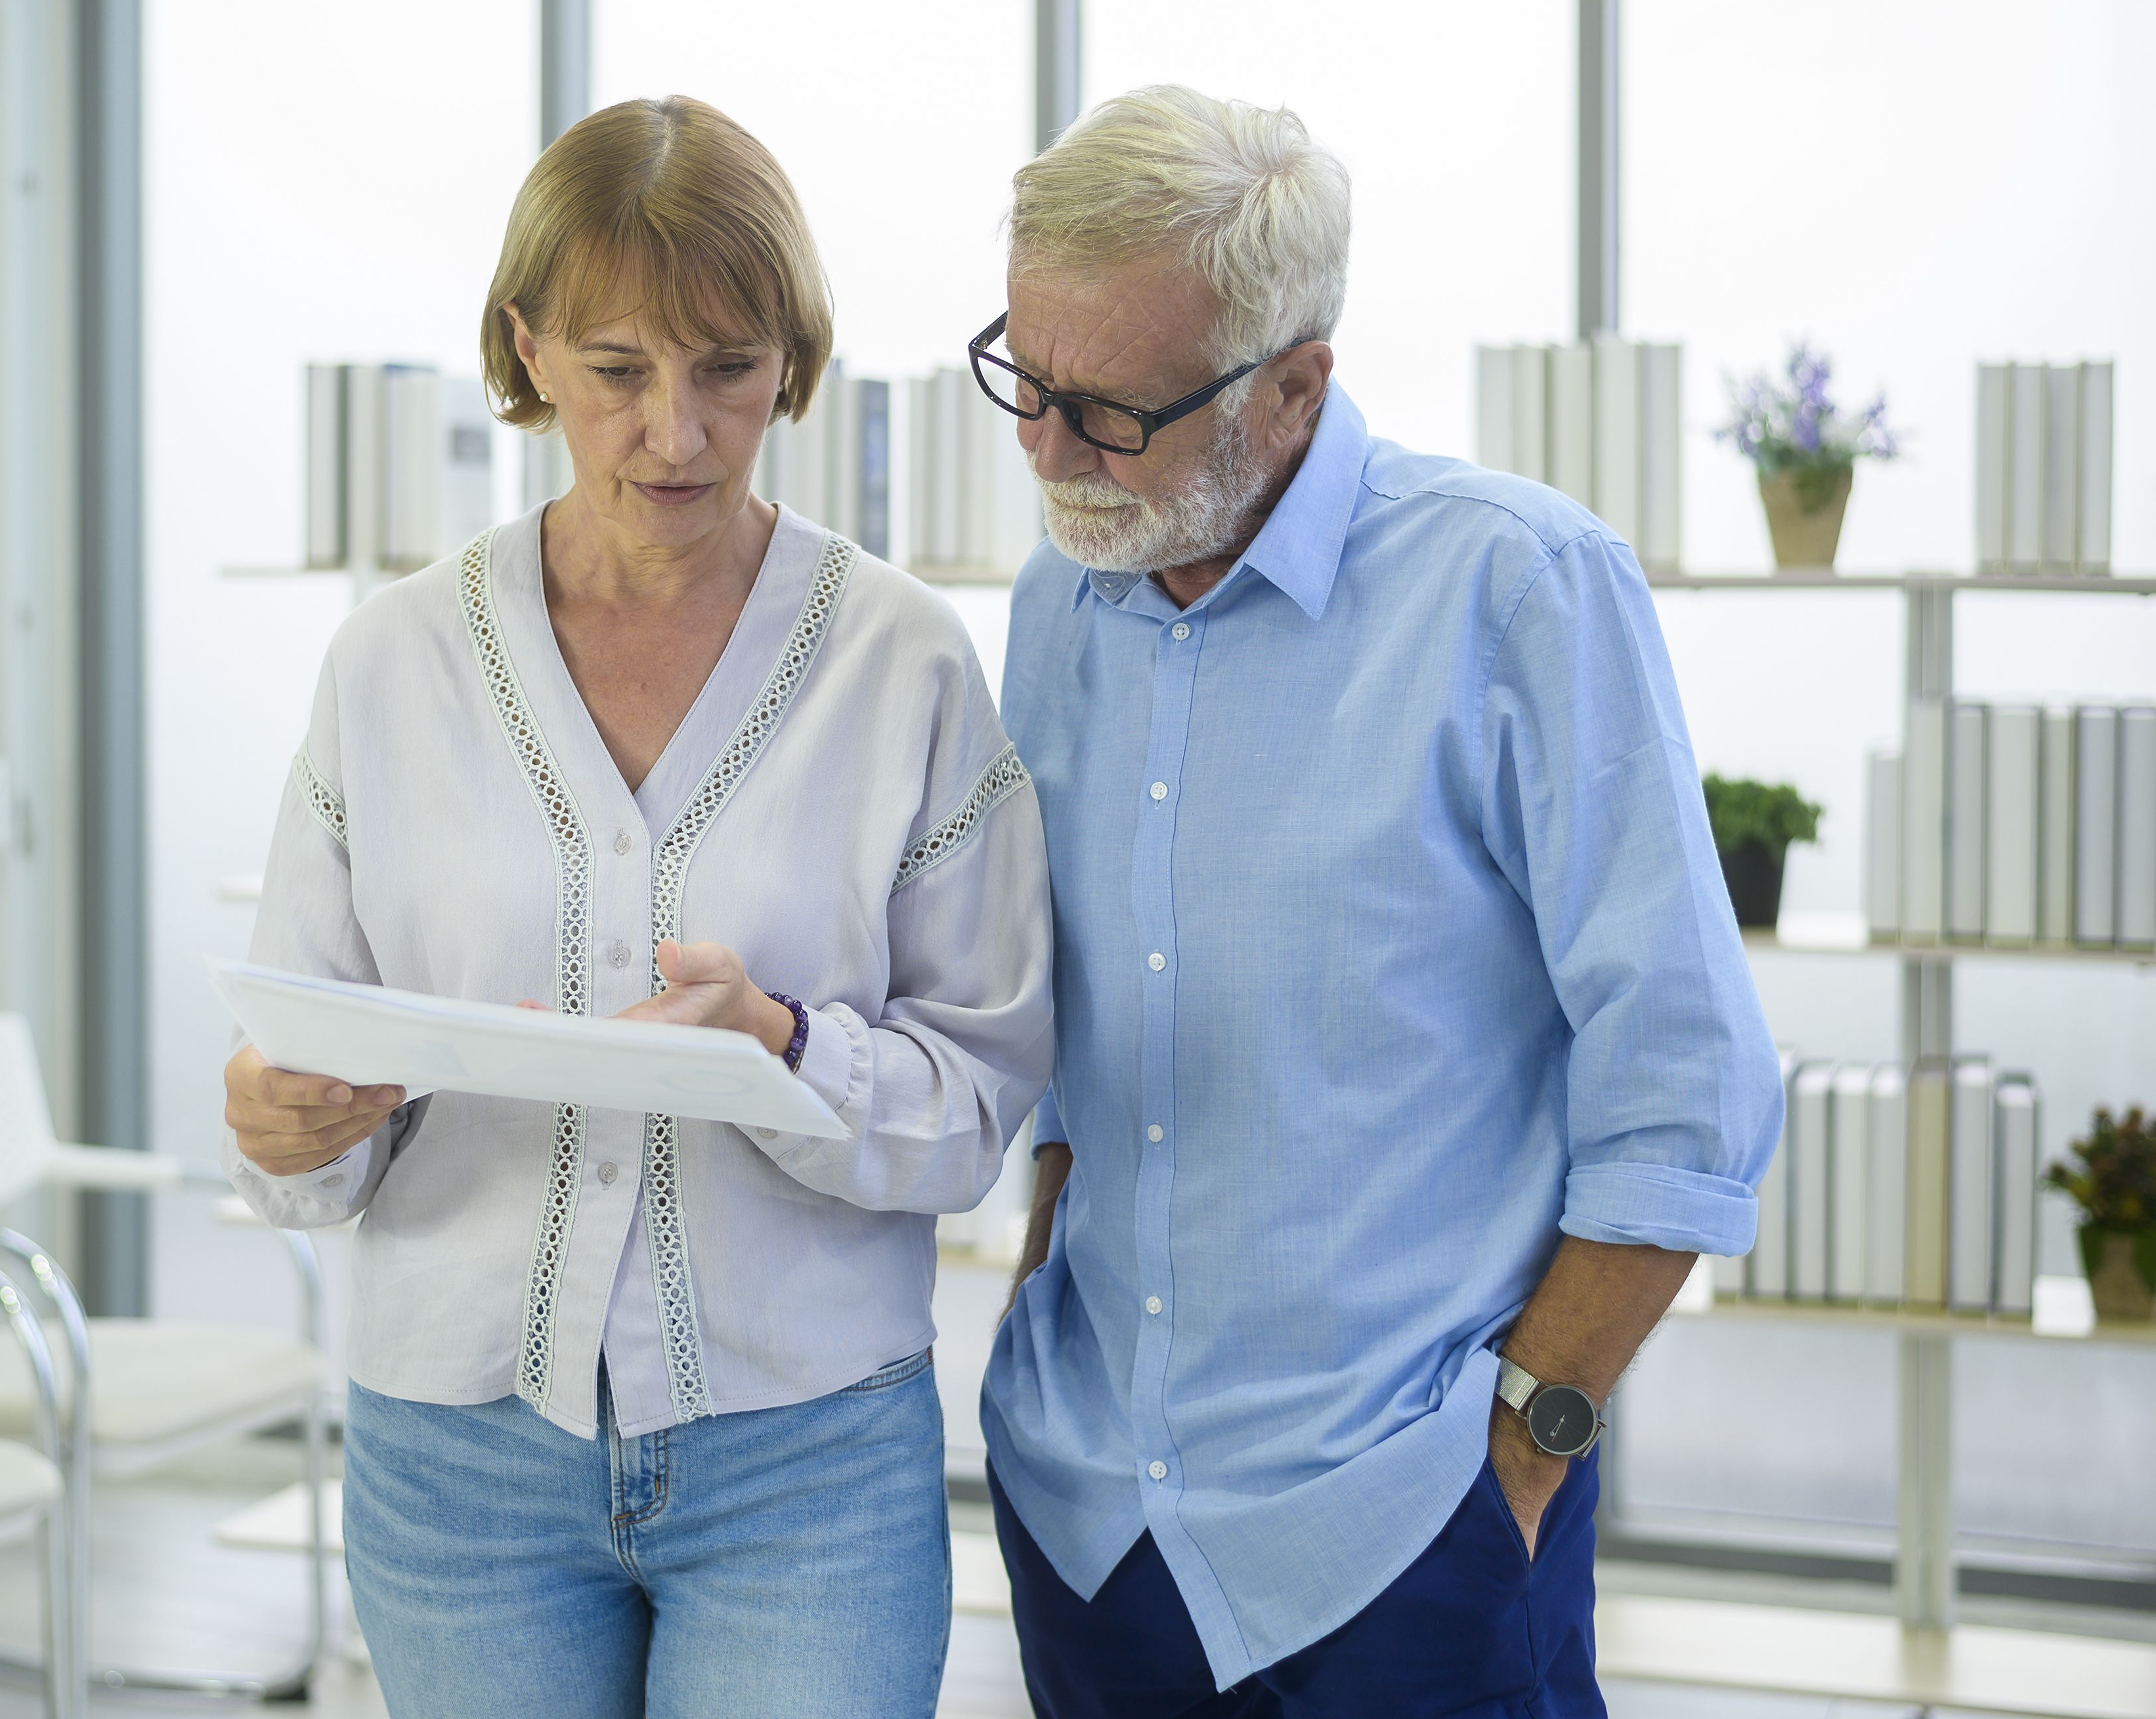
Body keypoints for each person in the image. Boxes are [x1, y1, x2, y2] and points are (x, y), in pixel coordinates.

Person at [221, 96, 1052, 1718]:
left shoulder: (904, 663)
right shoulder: (389, 665)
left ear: (791, 361)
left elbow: (977, 1109)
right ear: (525, 349)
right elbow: (299, 1063)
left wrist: (787, 1047)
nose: (673, 431)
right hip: (453, 1464)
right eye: (614, 370)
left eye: (727, 368)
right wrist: (287, 1121)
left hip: (802, 1467)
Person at [978, 87, 1781, 1717]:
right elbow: (1070, 1002)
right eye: (1026, 380)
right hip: (1093, 1525)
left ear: (1294, 385)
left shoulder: (1519, 590)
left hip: (1409, 1536)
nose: (1048, 453)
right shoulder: (1063, 595)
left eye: (1111, 410)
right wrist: (1037, 1252)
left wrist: (1523, 1458)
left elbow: (1688, 1088)